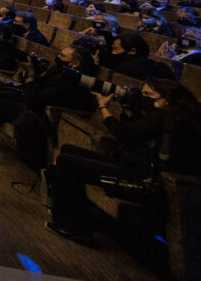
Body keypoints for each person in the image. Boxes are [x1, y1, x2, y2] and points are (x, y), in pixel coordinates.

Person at [47, 78, 201, 242]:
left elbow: (124, 133)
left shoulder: (163, 118)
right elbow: (135, 132)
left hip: (140, 177)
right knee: (68, 150)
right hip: (130, 165)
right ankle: (73, 213)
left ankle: (76, 228)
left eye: (148, 94)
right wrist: (131, 110)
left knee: (68, 162)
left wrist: (103, 107)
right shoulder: (163, 115)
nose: (142, 97)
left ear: (166, 99)